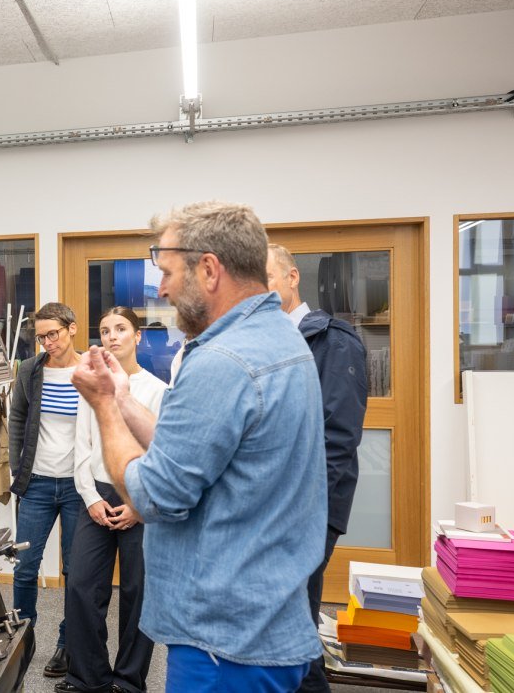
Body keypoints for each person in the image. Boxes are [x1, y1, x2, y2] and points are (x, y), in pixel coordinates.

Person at [73, 201, 326, 691]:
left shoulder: (221, 361)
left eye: (166, 273)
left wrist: (103, 407)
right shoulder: (274, 338)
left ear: (209, 269)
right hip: (264, 621)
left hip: (225, 645)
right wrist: (124, 400)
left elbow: (153, 495)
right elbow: (188, 449)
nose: (162, 288)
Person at [266, 244, 369, 693]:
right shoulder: (266, 340)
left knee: (290, 622)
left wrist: (298, 508)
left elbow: (338, 437)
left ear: (292, 277)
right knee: (282, 619)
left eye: (267, 278)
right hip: (272, 505)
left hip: (309, 506)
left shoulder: (332, 340)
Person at [59, 307, 166, 693]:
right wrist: (89, 497)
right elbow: (82, 448)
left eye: (120, 329)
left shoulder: (157, 390)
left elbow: (161, 454)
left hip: (142, 497)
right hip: (98, 496)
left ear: (138, 337)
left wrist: (140, 505)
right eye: (104, 331)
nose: (111, 336)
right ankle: (89, 677)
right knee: (81, 587)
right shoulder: (91, 385)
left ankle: (128, 680)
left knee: (139, 593)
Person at [7, 302, 85, 678]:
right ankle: (23, 639)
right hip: (36, 483)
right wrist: (17, 467)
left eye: (53, 334)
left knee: (74, 570)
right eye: (40, 337)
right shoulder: (29, 370)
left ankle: (67, 644)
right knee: (24, 568)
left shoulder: (89, 369)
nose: (47, 342)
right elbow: (17, 417)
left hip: (77, 486)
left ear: (72, 328)